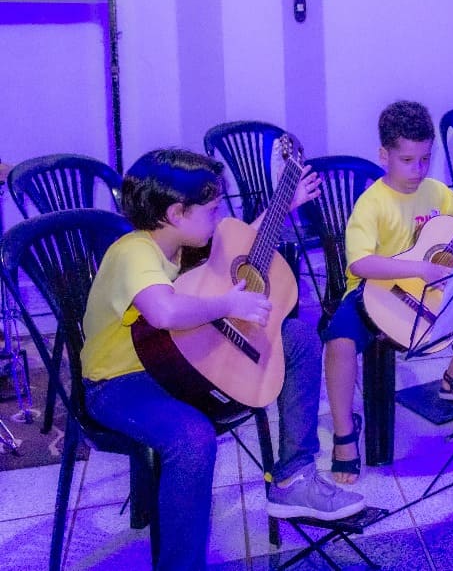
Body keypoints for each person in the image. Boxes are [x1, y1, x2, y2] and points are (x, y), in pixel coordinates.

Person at [81, 149, 365, 571]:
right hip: (119, 384)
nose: (218, 218)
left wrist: (281, 207)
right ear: (176, 213)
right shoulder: (134, 252)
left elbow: (238, 246)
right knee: (192, 437)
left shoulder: (184, 240)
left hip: (180, 364)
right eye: (212, 210)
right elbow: (164, 312)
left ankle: (293, 475)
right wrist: (228, 304)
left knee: (299, 338)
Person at [324, 101, 453, 483]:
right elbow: (360, 264)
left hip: (429, 292)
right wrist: (419, 268)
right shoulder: (372, 203)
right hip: (373, 293)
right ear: (384, 156)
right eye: (407, 160)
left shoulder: (435, 192)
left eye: (425, 159)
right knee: (338, 341)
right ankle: (344, 435)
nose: (418, 170)